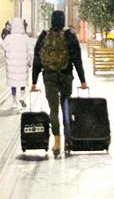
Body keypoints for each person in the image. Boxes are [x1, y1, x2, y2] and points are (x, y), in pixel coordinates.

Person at [31, 10, 87, 155]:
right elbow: (77, 59)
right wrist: (82, 80)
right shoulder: (70, 35)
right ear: (63, 21)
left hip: (49, 77)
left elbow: (37, 59)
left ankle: (57, 141)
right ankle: (68, 140)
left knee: (53, 110)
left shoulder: (44, 36)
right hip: (66, 75)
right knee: (66, 107)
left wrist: (34, 81)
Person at [2, 17, 32, 110]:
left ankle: (14, 102)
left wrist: (8, 56)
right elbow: (31, 50)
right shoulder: (25, 38)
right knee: (22, 82)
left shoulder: (8, 38)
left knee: (13, 84)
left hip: (12, 65)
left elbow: (3, 47)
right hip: (23, 65)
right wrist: (29, 61)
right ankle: (22, 96)